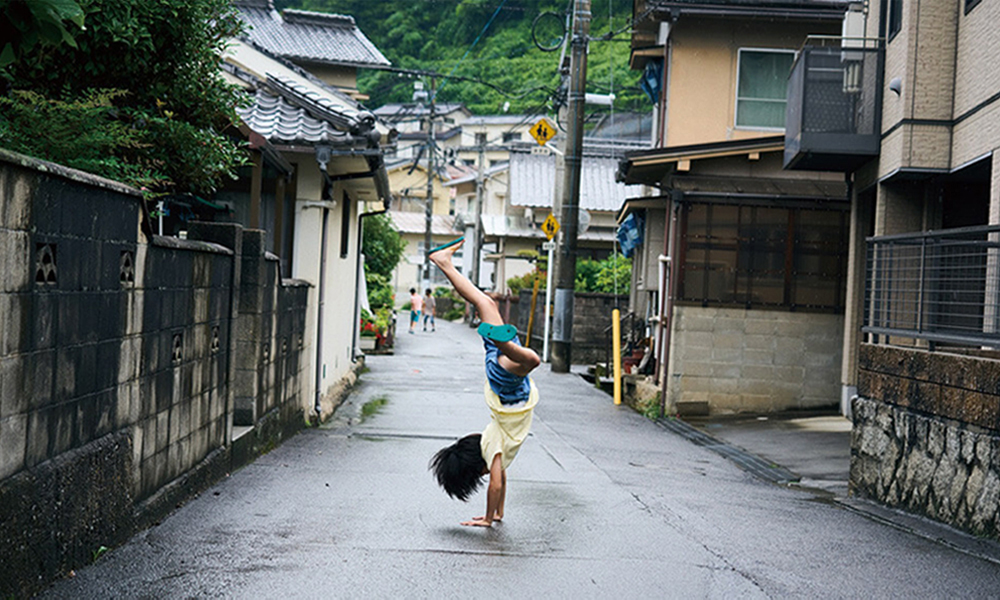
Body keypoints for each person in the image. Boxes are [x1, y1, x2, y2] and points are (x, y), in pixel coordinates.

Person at [427, 237, 541, 527]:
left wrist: (488, 519)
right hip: (498, 372)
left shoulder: (492, 449)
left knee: (531, 362)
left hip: (508, 384)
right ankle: (444, 263)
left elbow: (496, 485)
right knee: (484, 301)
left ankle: (508, 347)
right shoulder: (492, 442)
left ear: (476, 469)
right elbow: (501, 482)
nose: (491, 474)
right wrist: (500, 512)